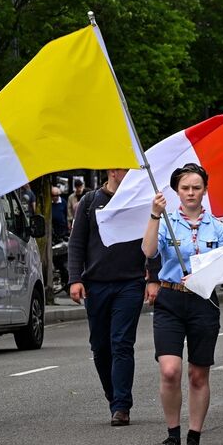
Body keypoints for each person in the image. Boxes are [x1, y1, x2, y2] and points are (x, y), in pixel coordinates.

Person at [142, 163, 223, 445]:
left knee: (198, 374)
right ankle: (172, 435)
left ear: (205, 190)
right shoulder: (167, 222)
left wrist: (205, 275)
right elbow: (148, 251)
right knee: (170, 371)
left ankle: (194, 437)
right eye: (185, 188)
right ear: (176, 191)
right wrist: (155, 215)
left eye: (196, 187)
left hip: (203, 301)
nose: (191, 193)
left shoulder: (217, 228)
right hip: (171, 299)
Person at [67, 168, 158, 426]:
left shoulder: (140, 201)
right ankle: (112, 394)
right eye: (123, 167)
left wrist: (153, 278)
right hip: (96, 285)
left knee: (121, 342)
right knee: (100, 346)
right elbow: (77, 243)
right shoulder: (89, 202)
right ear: (112, 170)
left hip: (129, 284)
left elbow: (154, 237)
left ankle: (121, 405)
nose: (128, 172)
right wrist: (75, 279)